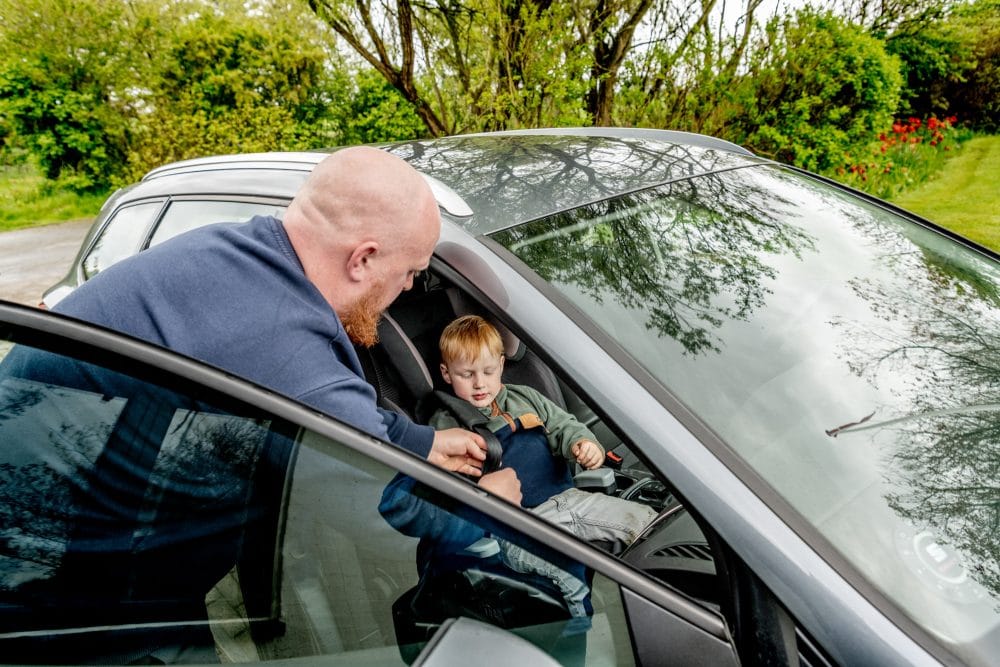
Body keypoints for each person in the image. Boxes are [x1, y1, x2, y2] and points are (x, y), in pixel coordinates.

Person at [48, 146, 489, 476]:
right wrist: (486, 506)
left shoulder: (244, 251)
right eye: (411, 271)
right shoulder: (279, 340)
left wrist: (423, 442)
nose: (411, 285)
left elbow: (354, 423)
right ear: (362, 260)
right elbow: (378, 490)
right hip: (49, 551)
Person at [424, 314, 658, 617]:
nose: (479, 383)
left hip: (568, 500)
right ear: (446, 373)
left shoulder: (526, 398)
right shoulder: (446, 424)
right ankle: (581, 639)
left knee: (646, 524)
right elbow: (450, 483)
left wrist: (583, 445)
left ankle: (653, 615)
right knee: (569, 576)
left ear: (502, 365)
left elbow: (565, 426)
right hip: (516, 527)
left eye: (488, 371)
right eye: (466, 375)